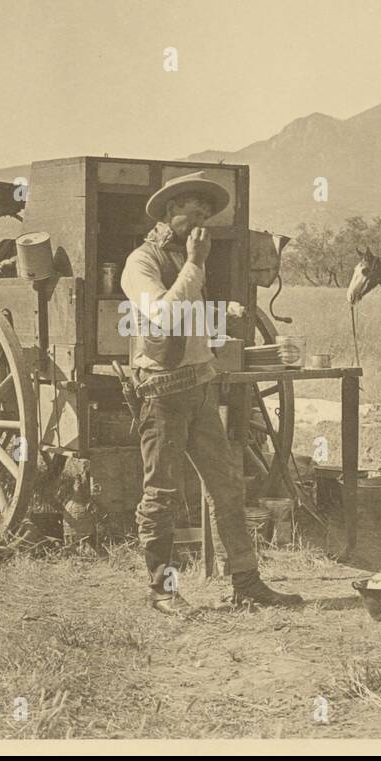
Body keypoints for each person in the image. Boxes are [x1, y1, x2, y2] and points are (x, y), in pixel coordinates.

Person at [120, 171, 304, 616]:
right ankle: (161, 590)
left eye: (206, 213)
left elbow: (194, 329)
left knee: (227, 488)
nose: (200, 220)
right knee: (161, 494)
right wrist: (195, 263)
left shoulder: (193, 262)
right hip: (161, 396)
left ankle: (246, 583)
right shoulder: (140, 263)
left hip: (200, 390)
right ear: (168, 213)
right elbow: (164, 314)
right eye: (191, 212)